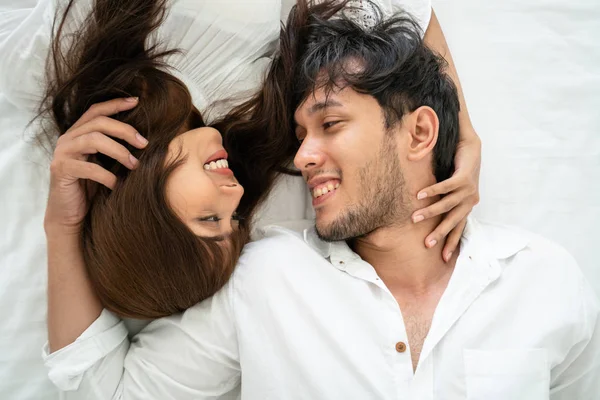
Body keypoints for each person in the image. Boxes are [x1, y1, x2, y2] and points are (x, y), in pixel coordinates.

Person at [43, 1, 600, 399]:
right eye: (302, 135)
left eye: (331, 124)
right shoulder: (263, 278)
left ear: (419, 133)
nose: (303, 156)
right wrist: (63, 226)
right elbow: (103, 393)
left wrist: (465, 130)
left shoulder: (547, 280)